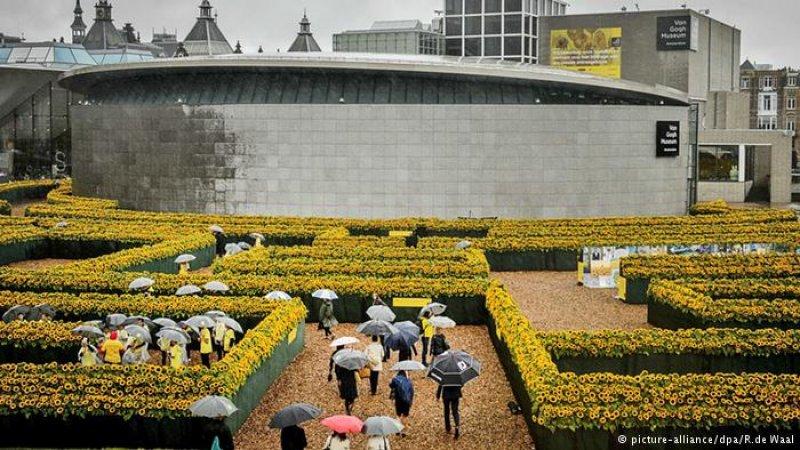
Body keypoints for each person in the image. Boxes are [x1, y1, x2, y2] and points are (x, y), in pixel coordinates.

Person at [389, 370, 413, 437]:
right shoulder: (409, 381)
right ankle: (404, 432)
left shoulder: (395, 380)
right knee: (405, 416)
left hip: (398, 400)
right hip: (406, 401)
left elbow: (391, 385)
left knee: (398, 415)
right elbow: (411, 392)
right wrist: (410, 402)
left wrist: (392, 378)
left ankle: (397, 430)